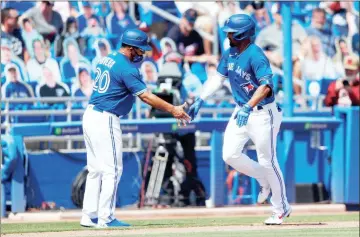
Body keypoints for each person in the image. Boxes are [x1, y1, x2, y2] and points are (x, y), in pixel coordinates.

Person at [80, 28, 190, 228]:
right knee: (112, 170)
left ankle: (89, 215)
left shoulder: (108, 58)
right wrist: (173, 109)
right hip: (105, 118)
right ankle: (106, 217)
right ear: (130, 48)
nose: (142, 54)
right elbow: (146, 96)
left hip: (90, 115)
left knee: (95, 169)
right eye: (139, 50)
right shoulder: (127, 68)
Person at [188, 14, 291, 225]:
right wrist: (201, 98)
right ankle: (263, 178)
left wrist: (248, 106)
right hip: (241, 110)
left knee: (268, 160)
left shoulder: (255, 55)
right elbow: (217, 78)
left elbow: (266, 86)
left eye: (231, 33)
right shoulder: (230, 53)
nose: (227, 35)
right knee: (229, 155)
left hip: (263, 113)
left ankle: (281, 208)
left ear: (243, 34)